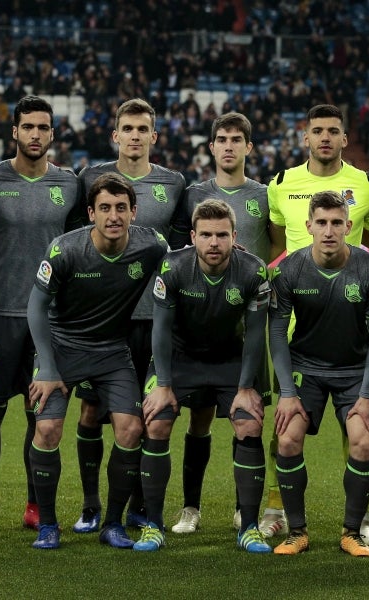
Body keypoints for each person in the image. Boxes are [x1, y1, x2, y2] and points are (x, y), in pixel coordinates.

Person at [266, 103, 369, 543]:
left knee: (359, 435)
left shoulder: (366, 187)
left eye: (332, 131)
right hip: (303, 331)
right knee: (285, 430)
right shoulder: (280, 184)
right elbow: (275, 239)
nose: (329, 229)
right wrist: (284, 392)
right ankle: (279, 513)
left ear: (344, 138)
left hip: (352, 330)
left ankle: (355, 523)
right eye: (315, 130)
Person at [25, 172, 168, 549]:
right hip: (61, 348)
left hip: (111, 351)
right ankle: (48, 525)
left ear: (134, 212)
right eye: (104, 208)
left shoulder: (152, 245)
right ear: (91, 212)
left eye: (121, 207)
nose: (113, 215)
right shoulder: (65, 250)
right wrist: (47, 366)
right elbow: (36, 306)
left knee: (131, 430)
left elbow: (181, 270)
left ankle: (112, 524)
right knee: (47, 430)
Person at [0, 96, 83, 532]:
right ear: (13, 131)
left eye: (43, 127)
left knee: (42, 418)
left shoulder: (70, 184)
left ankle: (35, 504)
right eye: (27, 126)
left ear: (52, 133)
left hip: (49, 324)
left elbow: (77, 243)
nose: (35, 134)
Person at [73, 98, 187, 533]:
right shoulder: (91, 179)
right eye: (128, 128)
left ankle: (138, 503)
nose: (135, 136)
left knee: (146, 417)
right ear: (115, 134)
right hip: (103, 323)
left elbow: (180, 250)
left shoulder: (174, 184)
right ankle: (89, 505)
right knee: (89, 414)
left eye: (143, 129)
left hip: (156, 322)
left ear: (154, 137)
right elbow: (74, 240)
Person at [135, 199, 272, 553]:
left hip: (230, 358)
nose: (214, 243)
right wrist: (163, 385)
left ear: (234, 236)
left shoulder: (254, 272)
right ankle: (153, 525)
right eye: (207, 235)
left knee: (249, 423)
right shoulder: (173, 267)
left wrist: (245, 388)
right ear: (193, 236)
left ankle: (250, 525)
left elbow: (256, 335)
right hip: (179, 358)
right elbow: (160, 330)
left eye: (222, 235)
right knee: (158, 421)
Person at [166, 111, 280, 535]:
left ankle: (241, 508)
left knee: (246, 414)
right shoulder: (193, 193)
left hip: (245, 328)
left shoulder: (265, 196)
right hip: (198, 328)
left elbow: (278, 244)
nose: (229, 146)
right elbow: (181, 251)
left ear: (249, 147)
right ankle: (190, 509)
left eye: (237, 139)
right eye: (222, 139)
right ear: (211, 147)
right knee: (197, 420)